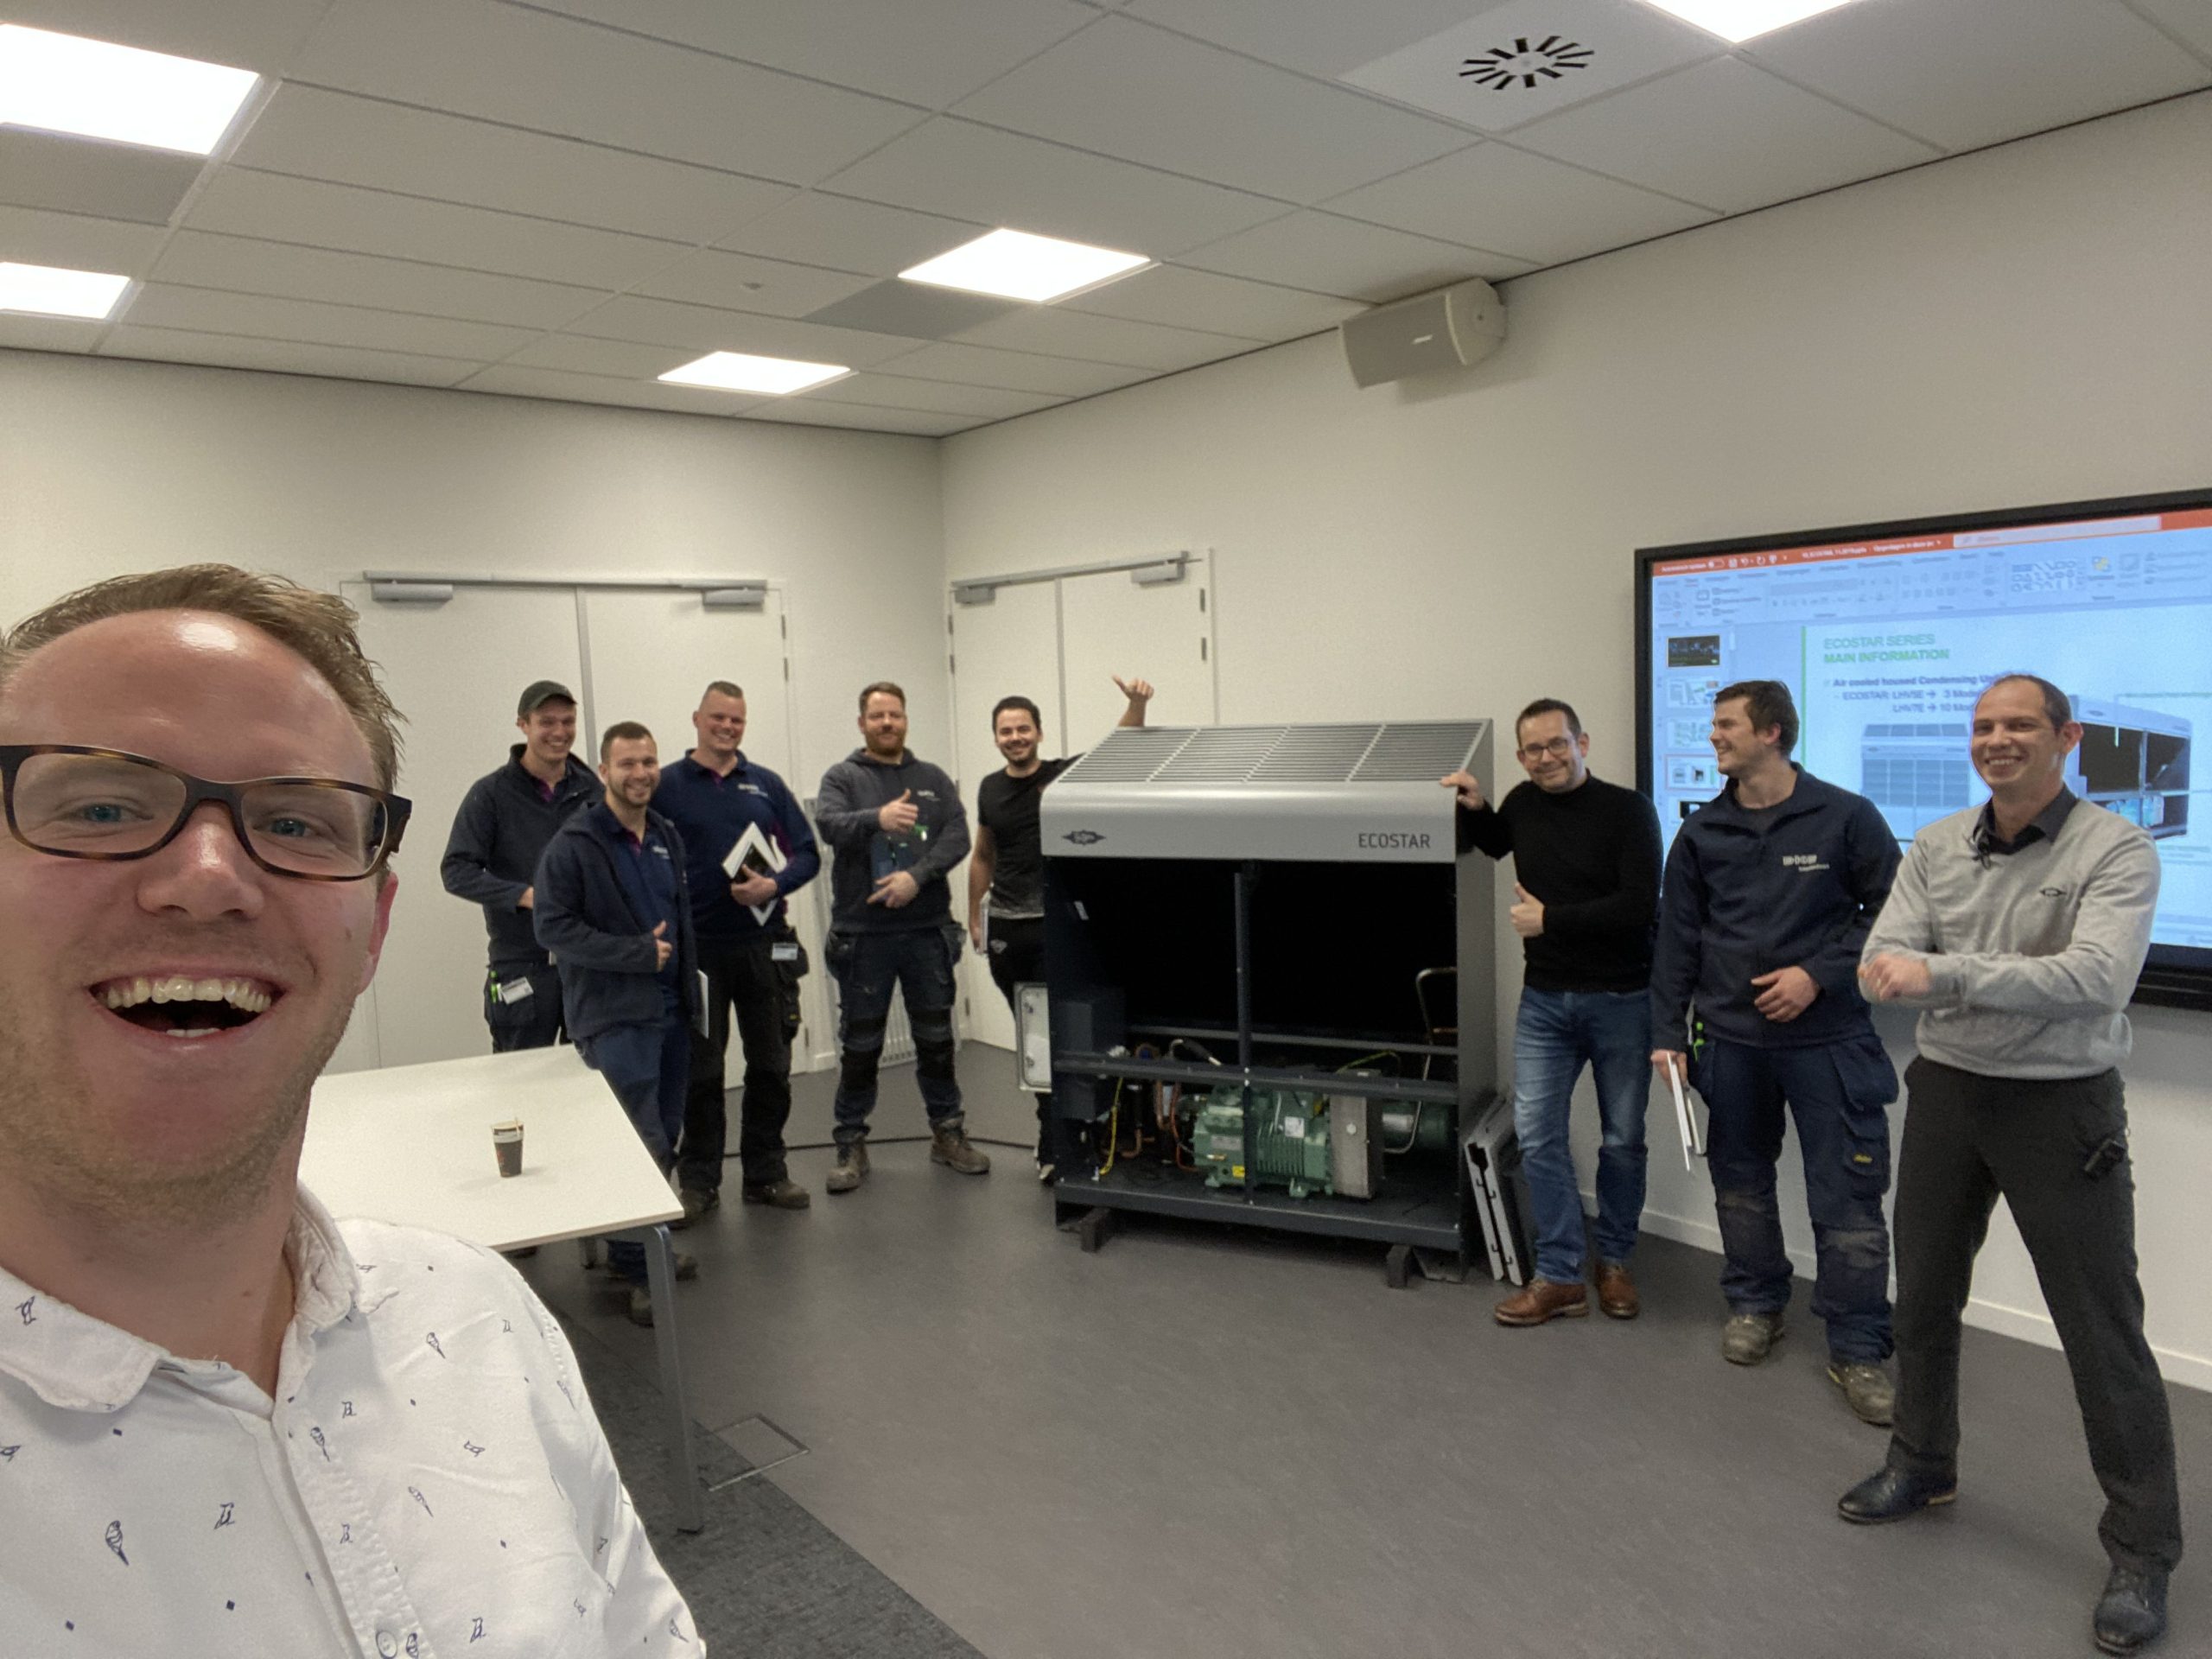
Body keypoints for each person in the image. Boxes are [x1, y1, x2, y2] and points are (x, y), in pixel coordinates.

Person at [0, 566, 695, 1654]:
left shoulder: (484, 1319)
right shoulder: (511, 809)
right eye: (100, 808)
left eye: (296, 822)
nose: (208, 877)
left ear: (372, 930)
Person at [1840, 673, 2180, 1656]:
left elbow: (2094, 979)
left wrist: (1943, 972)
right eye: (1984, 725)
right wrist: (1933, 974)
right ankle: (1922, 1462)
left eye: (2020, 725)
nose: (1998, 739)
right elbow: (1880, 961)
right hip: (1949, 1092)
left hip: (2060, 1107)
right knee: (1921, 1297)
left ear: (2066, 738)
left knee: (2100, 1330)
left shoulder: (2116, 848)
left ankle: (2142, 1551)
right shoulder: (1937, 843)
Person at [1649, 678, 1903, 1425]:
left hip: (1830, 1043)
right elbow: (1676, 941)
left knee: (1848, 1201)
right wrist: (1666, 1035)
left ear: (1772, 733)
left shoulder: (1846, 817)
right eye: (1714, 724)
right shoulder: (1702, 833)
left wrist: (1817, 975)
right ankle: (1756, 1304)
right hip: (1730, 1043)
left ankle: (1858, 1347)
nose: (1714, 736)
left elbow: (1895, 911)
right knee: (1740, 1186)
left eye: (1726, 724)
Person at [1443, 697, 1661, 1326]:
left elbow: (1639, 906)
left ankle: (1614, 1261)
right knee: (1539, 1137)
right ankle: (1561, 1274)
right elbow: (1496, 842)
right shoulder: (1522, 803)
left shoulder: (1629, 810)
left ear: (1582, 743)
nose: (1546, 758)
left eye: (1557, 744)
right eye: (1534, 749)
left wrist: (1551, 920)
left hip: (1622, 1000)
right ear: (1521, 756)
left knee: (1623, 1141)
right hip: (1544, 1002)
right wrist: (1477, 807)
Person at [534, 722, 703, 1326]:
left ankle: (640, 1247)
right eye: (627, 763)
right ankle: (638, 1268)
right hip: (613, 1018)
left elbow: (680, 922)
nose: (641, 774)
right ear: (603, 771)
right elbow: (552, 928)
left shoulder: (664, 835)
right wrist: (634, 954)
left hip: (670, 1013)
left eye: (649, 762)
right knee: (638, 1142)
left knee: (666, 1133)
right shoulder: (574, 845)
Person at [968, 675, 1153, 1179]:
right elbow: (983, 854)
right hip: (1007, 932)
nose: (1015, 737)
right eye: (1006, 731)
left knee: (1061, 1037)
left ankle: (1069, 1141)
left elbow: (1115, 750)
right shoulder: (989, 788)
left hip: (1054, 930)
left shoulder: (1062, 775)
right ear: (996, 738)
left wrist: (1136, 705)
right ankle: (1055, 1139)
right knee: (1035, 1040)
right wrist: (974, 915)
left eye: (1023, 729)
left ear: (1039, 733)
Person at [653, 681, 821, 1217]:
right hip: (698, 953)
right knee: (702, 1072)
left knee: (771, 1064)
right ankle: (699, 1181)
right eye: (718, 718)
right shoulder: (666, 786)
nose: (728, 727)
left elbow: (808, 854)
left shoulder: (765, 785)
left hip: (764, 949)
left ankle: (766, 1173)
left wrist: (775, 885)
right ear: (697, 719)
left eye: (737, 720)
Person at [813, 682, 986, 1193]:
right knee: (860, 1045)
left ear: (906, 720)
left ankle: (947, 1133)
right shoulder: (842, 777)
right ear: (862, 723)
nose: (887, 723)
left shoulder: (931, 778)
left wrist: (918, 876)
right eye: (877, 716)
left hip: (926, 931)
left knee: (937, 1041)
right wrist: (878, 818)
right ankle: (850, 1142)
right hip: (864, 935)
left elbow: (958, 835)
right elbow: (828, 825)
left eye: (895, 714)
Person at [439, 679, 600, 1052]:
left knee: (590, 1075)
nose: (559, 732)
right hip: (522, 966)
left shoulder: (593, 793)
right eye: (547, 722)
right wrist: (525, 896)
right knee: (520, 1077)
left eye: (568, 722)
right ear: (523, 724)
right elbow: (456, 871)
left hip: (585, 964)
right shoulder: (491, 794)